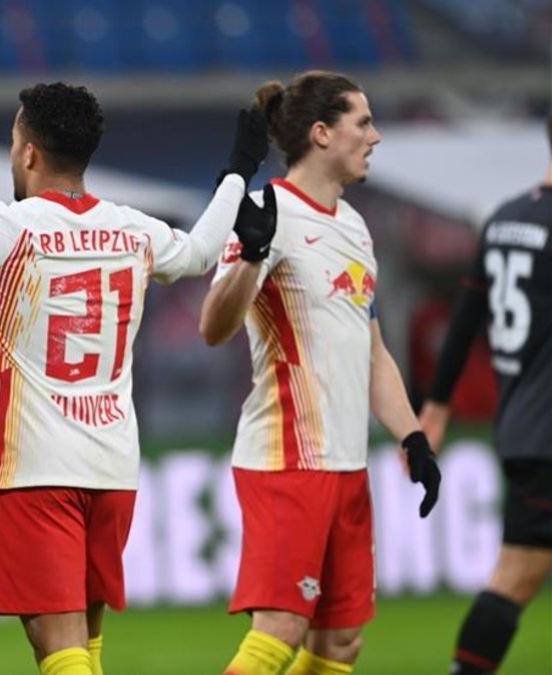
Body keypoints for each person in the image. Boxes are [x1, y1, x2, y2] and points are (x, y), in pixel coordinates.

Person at [0, 82, 268, 675]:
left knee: (59, 653)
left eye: (14, 140)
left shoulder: (1, 228)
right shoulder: (133, 228)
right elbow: (201, 252)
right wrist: (240, 169)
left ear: (29, 152)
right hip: (113, 467)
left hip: (38, 468)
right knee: (84, 646)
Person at [198, 71, 442, 675]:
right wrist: (251, 256)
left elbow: (373, 350)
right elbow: (213, 327)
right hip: (287, 461)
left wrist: (412, 437)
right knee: (278, 632)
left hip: (346, 464)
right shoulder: (266, 212)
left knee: (340, 643)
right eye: (363, 122)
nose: (376, 136)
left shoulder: (355, 227)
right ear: (321, 133)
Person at [418, 117, 552, 674]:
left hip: (524, 427)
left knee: (514, 576)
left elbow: (467, 316)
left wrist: (437, 405)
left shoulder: (506, 218)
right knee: (515, 576)